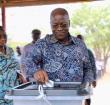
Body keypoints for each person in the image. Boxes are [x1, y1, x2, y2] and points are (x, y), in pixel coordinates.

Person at [21, 8, 93, 86]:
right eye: (55, 25)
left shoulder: (80, 44)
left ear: (69, 23)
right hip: (49, 95)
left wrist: (87, 82)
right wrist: (35, 71)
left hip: (76, 95)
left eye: (63, 25)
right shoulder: (42, 44)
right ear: (50, 25)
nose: (59, 28)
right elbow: (26, 62)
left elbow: (88, 68)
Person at [0, 28, 19, 105]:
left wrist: (19, 74)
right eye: (0, 37)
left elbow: (16, 66)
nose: (3, 39)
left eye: (4, 36)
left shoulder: (10, 50)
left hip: (13, 88)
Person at [77, 34, 97, 105]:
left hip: (87, 78)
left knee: (87, 97)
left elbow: (93, 65)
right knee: (77, 97)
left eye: (81, 40)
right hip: (76, 79)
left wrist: (94, 79)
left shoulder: (88, 52)